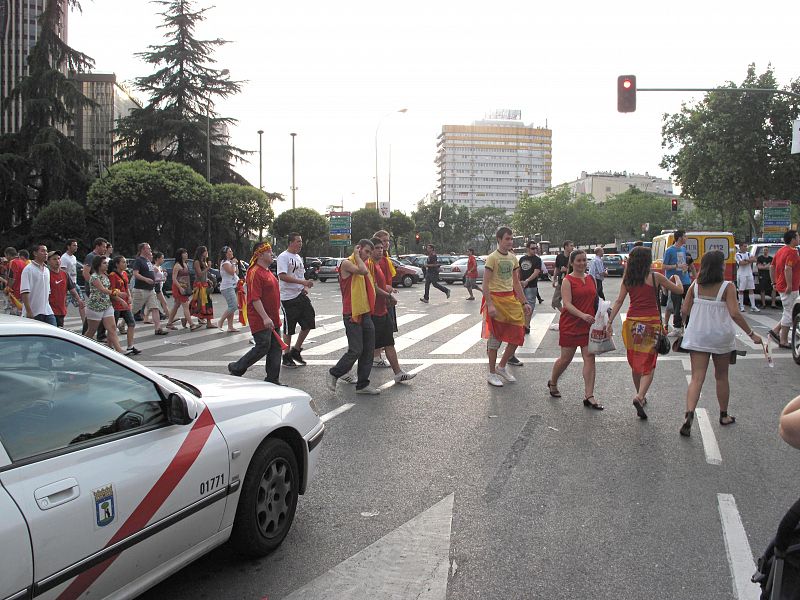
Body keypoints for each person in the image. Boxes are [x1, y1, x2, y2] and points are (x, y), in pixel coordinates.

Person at [677, 250, 762, 436]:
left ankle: (689, 413)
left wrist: (686, 325)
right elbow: (734, 313)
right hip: (721, 336)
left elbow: (684, 309)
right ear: (720, 267)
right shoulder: (727, 287)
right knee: (721, 377)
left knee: (697, 377)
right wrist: (751, 334)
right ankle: (724, 415)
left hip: (698, 335)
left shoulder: (695, 285)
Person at [607, 247, 684, 419]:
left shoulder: (628, 279)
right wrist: (677, 278)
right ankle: (640, 396)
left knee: (636, 361)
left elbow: (619, 301)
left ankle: (639, 394)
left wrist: (610, 322)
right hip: (651, 324)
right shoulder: (656, 277)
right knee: (649, 363)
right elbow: (679, 290)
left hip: (633, 324)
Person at [547, 249, 602, 409]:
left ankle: (589, 396)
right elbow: (567, 304)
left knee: (589, 358)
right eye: (578, 260)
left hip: (588, 324)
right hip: (571, 324)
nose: (582, 263)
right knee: (565, 359)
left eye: (584, 260)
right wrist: (582, 315)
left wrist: (604, 312)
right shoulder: (568, 280)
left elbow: (596, 299)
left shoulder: (591, 278)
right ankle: (553, 382)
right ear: (571, 263)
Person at [327, 239, 379, 395]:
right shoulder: (347, 263)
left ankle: (362, 384)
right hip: (352, 313)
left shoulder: (362, 263)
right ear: (358, 249)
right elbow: (363, 271)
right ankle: (334, 373)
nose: (368, 256)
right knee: (356, 350)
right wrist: (356, 256)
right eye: (366, 251)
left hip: (364, 311)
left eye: (370, 253)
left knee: (368, 350)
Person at [481, 227, 531, 387]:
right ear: (499, 239)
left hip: (510, 300)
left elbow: (516, 282)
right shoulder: (492, 258)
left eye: (511, 238)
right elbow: (485, 283)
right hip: (496, 300)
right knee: (495, 339)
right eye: (507, 239)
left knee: (518, 334)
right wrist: (490, 304)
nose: (510, 241)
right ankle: (491, 373)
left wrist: (524, 302)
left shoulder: (513, 258)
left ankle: (501, 366)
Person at [228, 242, 283, 384]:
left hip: (273, 317)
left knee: (275, 348)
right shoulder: (255, 272)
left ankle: (272, 379)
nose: (272, 254)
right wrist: (265, 317)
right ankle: (237, 367)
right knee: (263, 346)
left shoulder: (268, 271)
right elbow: (254, 298)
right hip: (260, 318)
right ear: (260, 254)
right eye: (269, 251)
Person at [368, 238, 416, 383]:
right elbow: (373, 287)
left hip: (383, 310)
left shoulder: (378, 265)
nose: (380, 250)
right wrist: (388, 295)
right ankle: (340, 371)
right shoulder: (369, 265)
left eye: (381, 247)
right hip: (372, 312)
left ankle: (398, 373)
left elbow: (380, 285)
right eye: (377, 248)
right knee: (362, 348)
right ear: (370, 250)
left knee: (389, 342)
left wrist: (388, 291)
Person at [277, 233, 316, 367]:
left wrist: (303, 287)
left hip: (300, 295)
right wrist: (302, 282)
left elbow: (300, 275)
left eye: (301, 241)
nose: (300, 244)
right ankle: (286, 355)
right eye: (298, 241)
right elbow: (282, 276)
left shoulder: (298, 257)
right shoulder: (283, 257)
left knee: (309, 321)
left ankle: (296, 350)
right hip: (288, 297)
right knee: (289, 328)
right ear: (290, 242)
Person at [85, 254, 125, 354]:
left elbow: (109, 290)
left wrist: (120, 300)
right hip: (95, 306)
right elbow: (103, 289)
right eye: (104, 263)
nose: (107, 265)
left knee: (112, 328)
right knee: (91, 331)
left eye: (106, 263)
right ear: (98, 265)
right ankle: (82, 346)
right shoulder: (94, 277)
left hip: (107, 304)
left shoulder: (106, 276)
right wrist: (118, 293)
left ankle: (119, 350)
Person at [769, 230, 800, 349]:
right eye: (798, 236)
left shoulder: (781, 250)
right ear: (793, 239)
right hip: (790, 288)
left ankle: (775, 331)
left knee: (787, 311)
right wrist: (790, 285)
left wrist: (774, 282)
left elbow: (772, 266)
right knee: (789, 313)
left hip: (781, 285)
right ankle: (783, 340)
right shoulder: (792, 252)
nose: (799, 238)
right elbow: (788, 268)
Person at [371, 229, 398, 369]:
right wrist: (386, 291)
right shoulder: (376, 260)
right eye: (383, 241)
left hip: (386, 298)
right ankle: (375, 356)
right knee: (380, 331)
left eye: (387, 241)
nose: (386, 244)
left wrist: (390, 288)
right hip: (380, 300)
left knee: (386, 331)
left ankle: (378, 356)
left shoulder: (385, 258)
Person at [131, 242, 168, 335]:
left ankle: (158, 328)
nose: (150, 250)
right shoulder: (139, 260)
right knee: (134, 310)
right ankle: (122, 324)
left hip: (150, 289)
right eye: (148, 248)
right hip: (140, 289)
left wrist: (159, 278)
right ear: (143, 250)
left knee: (155, 308)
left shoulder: (148, 261)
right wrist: (146, 279)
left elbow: (151, 274)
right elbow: (135, 274)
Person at [109, 255, 140, 355]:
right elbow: (111, 291)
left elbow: (126, 287)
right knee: (112, 327)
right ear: (117, 264)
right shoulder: (113, 275)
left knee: (131, 323)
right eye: (123, 262)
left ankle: (130, 346)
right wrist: (120, 299)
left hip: (125, 304)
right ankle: (110, 347)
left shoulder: (125, 273)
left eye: (126, 262)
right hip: (116, 305)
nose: (126, 264)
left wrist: (129, 297)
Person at [664, 230, 691, 338]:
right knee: (676, 306)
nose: (686, 238)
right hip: (675, 282)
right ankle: (677, 328)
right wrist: (676, 266)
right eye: (685, 236)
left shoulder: (683, 249)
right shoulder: (669, 251)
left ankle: (687, 326)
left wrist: (685, 268)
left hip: (686, 280)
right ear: (679, 238)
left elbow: (684, 263)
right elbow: (664, 266)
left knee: (689, 304)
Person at [20, 244, 56, 325]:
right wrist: (29, 311)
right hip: (34, 312)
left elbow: (48, 292)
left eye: (46, 251)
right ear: (35, 253)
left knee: (53, 329)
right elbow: (24, 292)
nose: (46, 253)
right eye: (42, 251)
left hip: (47, 311)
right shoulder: (28, 269)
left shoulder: (47, 270)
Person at [47, 250, 83, 328]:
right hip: (49, 310)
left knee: (59, 329)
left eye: (58, 258)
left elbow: (72, 289)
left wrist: (79, 300)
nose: (57, 261)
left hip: (61, 309)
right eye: (54, 259)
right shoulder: (46, 274)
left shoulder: (64, 274)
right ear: (48, 261)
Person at [167, 248, 200, 330]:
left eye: (186, 253)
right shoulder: (177, 265)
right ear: (180, 255)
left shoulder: (185, 264)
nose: (186, 254)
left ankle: (169, 323)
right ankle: (192, 324)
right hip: (178, 288)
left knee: (176, 305)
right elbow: (174, 279)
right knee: (186, 305)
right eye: (184, 253)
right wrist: (180, 288)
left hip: (184, 287)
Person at [216, 245, 241, 332]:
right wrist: (233, 263)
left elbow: (236, 272)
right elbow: (231, 272)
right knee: (233, 306)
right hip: (227, 287)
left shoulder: (229, 262)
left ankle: (230, 326)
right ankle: (221, 321)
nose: (232, 252)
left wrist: (235, 264)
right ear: (226, 254)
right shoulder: (225, 263)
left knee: (231, 307)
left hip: (232, 286)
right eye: (230, 251)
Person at [60, 239, 85, 322]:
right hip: (67, 285)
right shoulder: (64, 258)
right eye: (74, 245)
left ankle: (85, 323)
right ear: (68, 247)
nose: (76, 247)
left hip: (74, 283)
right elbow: (63, 272)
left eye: (76, 245)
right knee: (64, 305)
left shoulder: (74, 257)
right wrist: (66, 285)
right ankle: (61, 322)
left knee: (82, 303)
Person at [190, 246, 215, 328]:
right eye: (205, 251)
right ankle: (187, 318)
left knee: (207, 303)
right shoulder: (197, 262)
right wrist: (208, 268)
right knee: (199, 305)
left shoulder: (203, 261)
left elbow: (204, 275)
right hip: (199, 286)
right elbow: (200, 274)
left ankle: (209, 322)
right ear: (201, 252)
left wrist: (208, 280)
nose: (207, 252)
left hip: (205, 285)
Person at [551, 240, 574, 323]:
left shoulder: (573, 257)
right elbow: (557, 268)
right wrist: (554, 279)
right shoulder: (559, 256)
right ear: (566, 247)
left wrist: (566, 269)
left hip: (570, 282)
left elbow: (577, 270)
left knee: (567, 302)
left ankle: (568, 318)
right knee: (555, 302)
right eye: (571, 245)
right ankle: (566, 315)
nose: (572, 247)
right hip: (561, 281)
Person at [735, 241, 759, 312]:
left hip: (749, 273)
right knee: (741, 290)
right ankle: (741, 306)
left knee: (751, 289)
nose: (746, 248)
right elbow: (741, 263)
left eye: (746, 246)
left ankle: (753, 306)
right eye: (744, 246)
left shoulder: (748, 253)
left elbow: (754, 259)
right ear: (740, 247)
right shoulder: (737, 254)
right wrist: (749, 261)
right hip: (741, 274)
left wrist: (747, 260)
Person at [4, 247, 25, 315]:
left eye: (6, 255)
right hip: (22, 292)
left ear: (8, 254)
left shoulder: (12, 262)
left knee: (12, 314)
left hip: (14, 293)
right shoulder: (23, 262)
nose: (6, 258)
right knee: (20, 313)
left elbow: (12, 278)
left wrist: (8, 289)